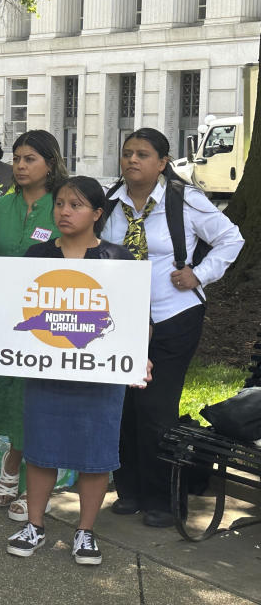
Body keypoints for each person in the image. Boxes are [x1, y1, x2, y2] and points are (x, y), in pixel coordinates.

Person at [0, 175, 140, 565]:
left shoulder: (119, 260)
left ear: (97, 214)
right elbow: (11, 313)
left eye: (76, 205)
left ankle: (85, 532)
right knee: (41, 451)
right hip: (46, 374)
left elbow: (136, 319)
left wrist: (141, 354)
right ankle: (34, 524)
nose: (64, 211)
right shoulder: (36, 256)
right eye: (61, 204)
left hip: (99, 378)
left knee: (96, 455)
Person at [100, 128, 244, 527]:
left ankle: (164, 499)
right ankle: (128, 489)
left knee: (156, 408)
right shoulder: (110, 202)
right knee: (123, 406)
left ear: (162, 163)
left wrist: (199, 274)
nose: (132, 160)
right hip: (121, 320)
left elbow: (232, 239)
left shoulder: (185, 201)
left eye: (142, 154)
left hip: (173, 317)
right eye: (127, 152)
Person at [0, 130, 65, 521]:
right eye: (16, 158)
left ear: (50, 163)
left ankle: (37, 482)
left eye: (29, 158)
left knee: (43, 402)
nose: (19, 166)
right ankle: (12, 462)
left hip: (53, 321)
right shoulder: (0, 207)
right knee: (14, 399)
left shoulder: (64, 207)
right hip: (6, 322)